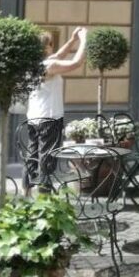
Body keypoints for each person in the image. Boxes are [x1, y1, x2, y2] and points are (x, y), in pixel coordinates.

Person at [25, 27, 87, 194]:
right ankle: (45, 196)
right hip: (49, 118)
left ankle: (27, 192)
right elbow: (76, 63)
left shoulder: (35, 64)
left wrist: (73, 39)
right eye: (51, 43)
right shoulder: (50, 65)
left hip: (33, 117)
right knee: (47, 157)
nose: (53, 47)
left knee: (32, 154)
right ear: (46, 47)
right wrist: (84, 40)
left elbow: (59, 55)